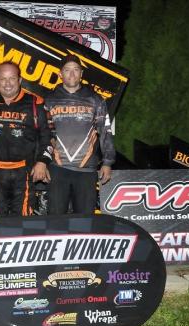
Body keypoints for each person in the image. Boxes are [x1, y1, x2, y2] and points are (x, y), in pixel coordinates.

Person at [44, 54, 115, 215]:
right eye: (67, 70)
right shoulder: (49, 100)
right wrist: (42, 162)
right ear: (60, 74)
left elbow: (106, 131)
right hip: (57, 168)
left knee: (85, 221)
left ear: (81, 74)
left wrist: (107, 162)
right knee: (55, 220)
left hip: (87, 170)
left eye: (76, 70)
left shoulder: (95, 100)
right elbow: (44, 134)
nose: (72, 74)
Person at [0, 62, 53, 217]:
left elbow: (47, 137)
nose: (8, 84)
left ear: (20, 80)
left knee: (23, 220)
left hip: (24, 173)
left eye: (12, 78)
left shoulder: (35, 103)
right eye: (3, 79)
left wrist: (42, 162)